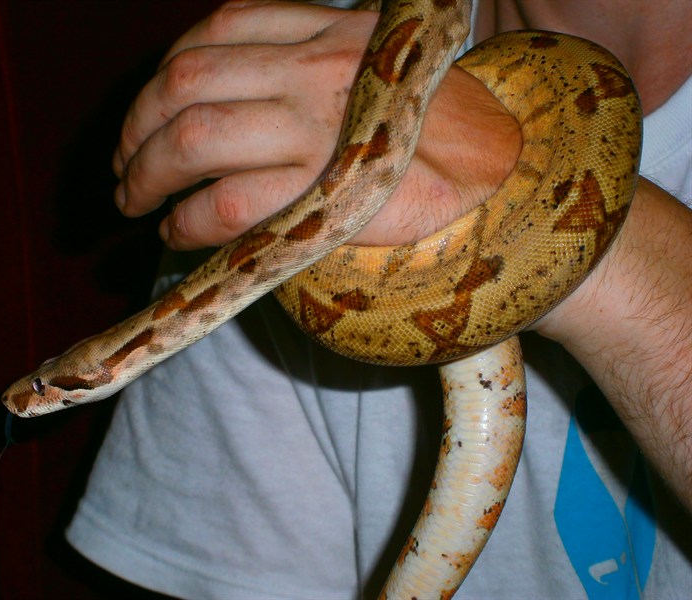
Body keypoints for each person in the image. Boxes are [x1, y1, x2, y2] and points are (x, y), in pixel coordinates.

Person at [66, 1, 692, 597]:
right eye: (48, 387)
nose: (34, 400)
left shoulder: (299, 134)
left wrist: (599, 249)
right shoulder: (283, 127)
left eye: (49, 387)